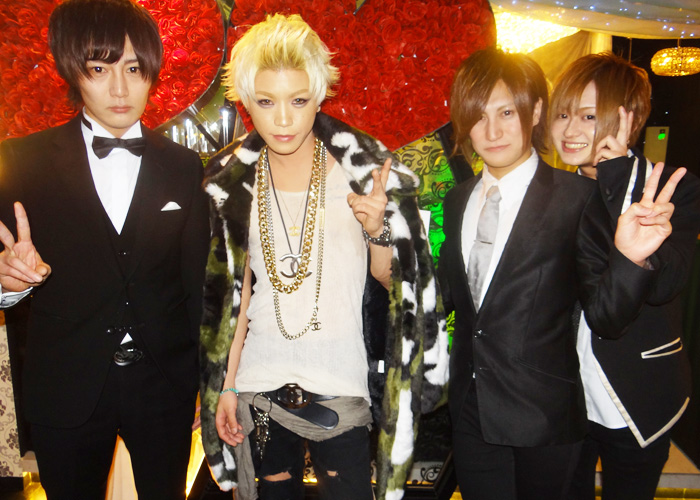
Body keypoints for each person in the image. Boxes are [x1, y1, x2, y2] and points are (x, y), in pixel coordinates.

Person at [198, 13, 448, 500]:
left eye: (298, 100)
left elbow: (394, 284)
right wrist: (225, 386)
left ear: (319, 96)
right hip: (258, 381)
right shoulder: (233, 180)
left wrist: (377, 230)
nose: (283, 119)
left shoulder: (362, 173)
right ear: (246, 101)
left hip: (341, 381)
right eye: (266, 102)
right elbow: (234, 297)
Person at [439, 47, 686, 500]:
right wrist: (383, 241)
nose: (491, 131)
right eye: (477, 116)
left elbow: (609, 313)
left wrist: (630, 257)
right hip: (473, 411)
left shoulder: (578, 197)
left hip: (555, 413)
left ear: (534, 112)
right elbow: (451, 298)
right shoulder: (457, 200)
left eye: (507, 112)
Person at [0, 0, 209, 498]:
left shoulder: (184, 166)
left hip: (164, 387)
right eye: (100, 69)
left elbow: (197, 284)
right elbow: (6, 267)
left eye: (134, 69)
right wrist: (7, 284)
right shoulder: (20, 161)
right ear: (72, 70)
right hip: (66, 385)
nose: (120, 89)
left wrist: (208, 379)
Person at [549, 52, 700, 500]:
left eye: (588, 116)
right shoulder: (553, 193)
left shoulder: (674, 188)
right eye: (562, 114)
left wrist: (617, 186)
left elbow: (665, 285)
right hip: (565, 398)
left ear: (628, 118)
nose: (571, 130)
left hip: (638, 395)